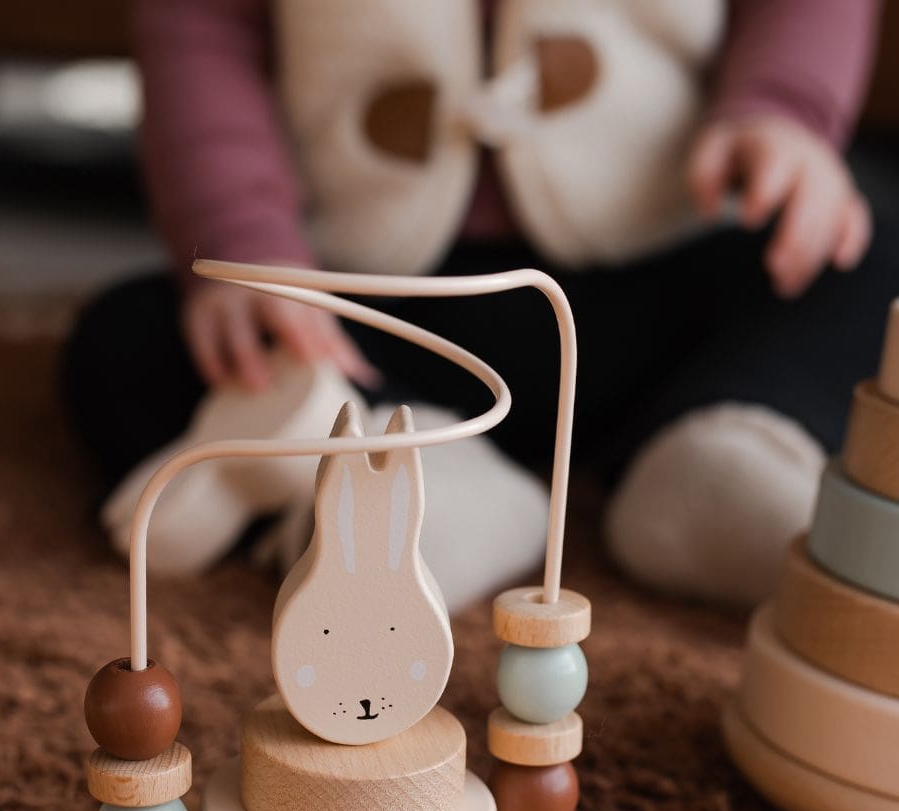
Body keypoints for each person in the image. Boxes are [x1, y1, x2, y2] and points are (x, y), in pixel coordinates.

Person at [64, 0, 895, 611]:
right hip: (367, 312)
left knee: (867, 252)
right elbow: (200, 27)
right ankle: (414, 486)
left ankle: (725, 456)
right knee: (135, 342)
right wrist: (243, 238)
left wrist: (784, 111)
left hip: (663, 265)